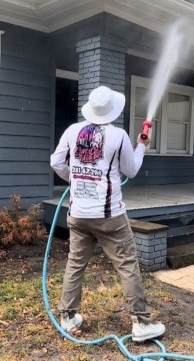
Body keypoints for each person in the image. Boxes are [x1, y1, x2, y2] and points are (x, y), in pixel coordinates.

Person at [50, 85, 165, 341]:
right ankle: (142, 324)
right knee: (127, 265)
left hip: (78, 214)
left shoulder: (71, 131)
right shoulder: (119, 135)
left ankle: (68, 317)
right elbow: (131, 169)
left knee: (75, 264)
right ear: (112, 110)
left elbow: (56, 162)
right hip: (110, 216)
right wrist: (141, 146)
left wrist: (75, 179)